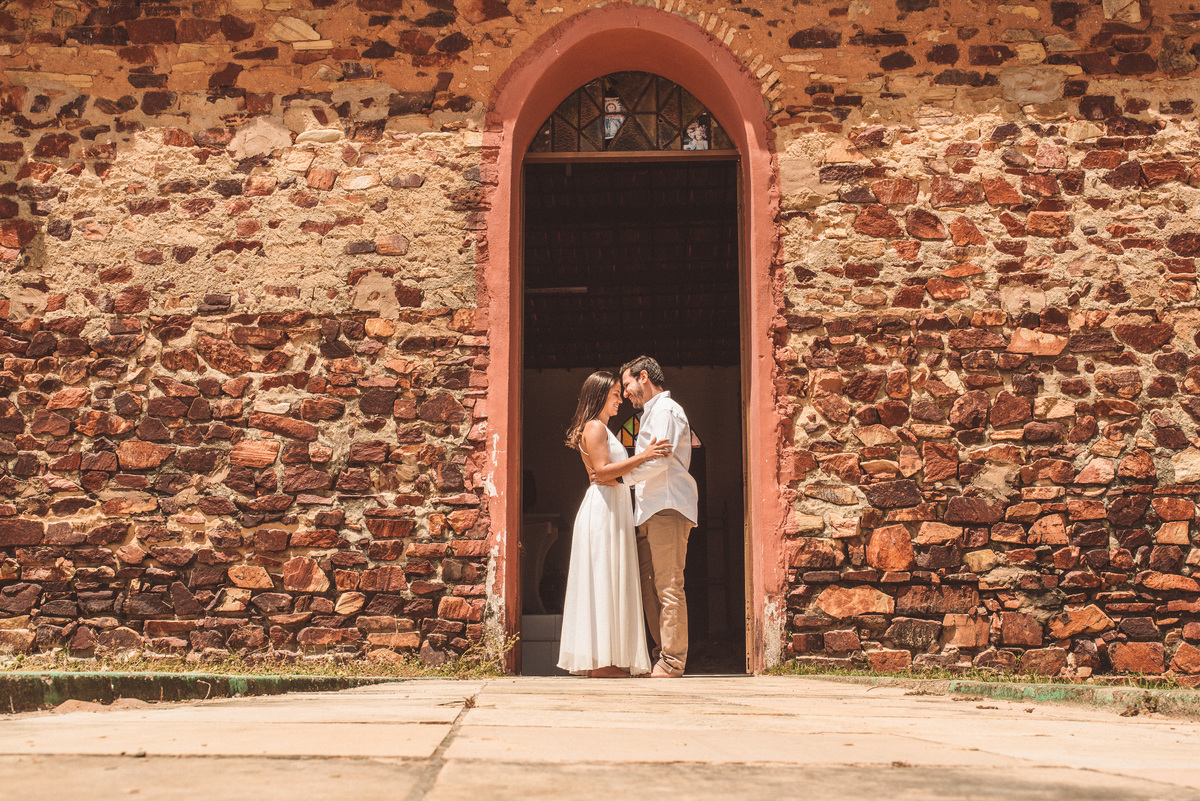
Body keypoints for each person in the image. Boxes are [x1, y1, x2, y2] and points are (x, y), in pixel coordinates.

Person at [557, 371, 672, 678]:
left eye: (620, 393)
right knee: (604, 579)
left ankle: (610, 658)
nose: (621, 399)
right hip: (603, 510)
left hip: (614, 506)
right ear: (599, 396)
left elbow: (608, 472)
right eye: (615, 394)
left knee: (613, 579)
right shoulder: (595, 427)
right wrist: (644, 456)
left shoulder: (603, 429)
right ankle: (600, 663)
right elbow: (603, 471)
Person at [620, 356, 698, 678]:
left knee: (667, 586)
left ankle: (672, 661)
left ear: (643, 377)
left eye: (627, 385)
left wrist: (621, 477)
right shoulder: (651, 413)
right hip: (649, 511)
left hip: (667, 506)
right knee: (650, 590)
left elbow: (661, 460)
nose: (625, 393)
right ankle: (660, 655)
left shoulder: (666, 410)